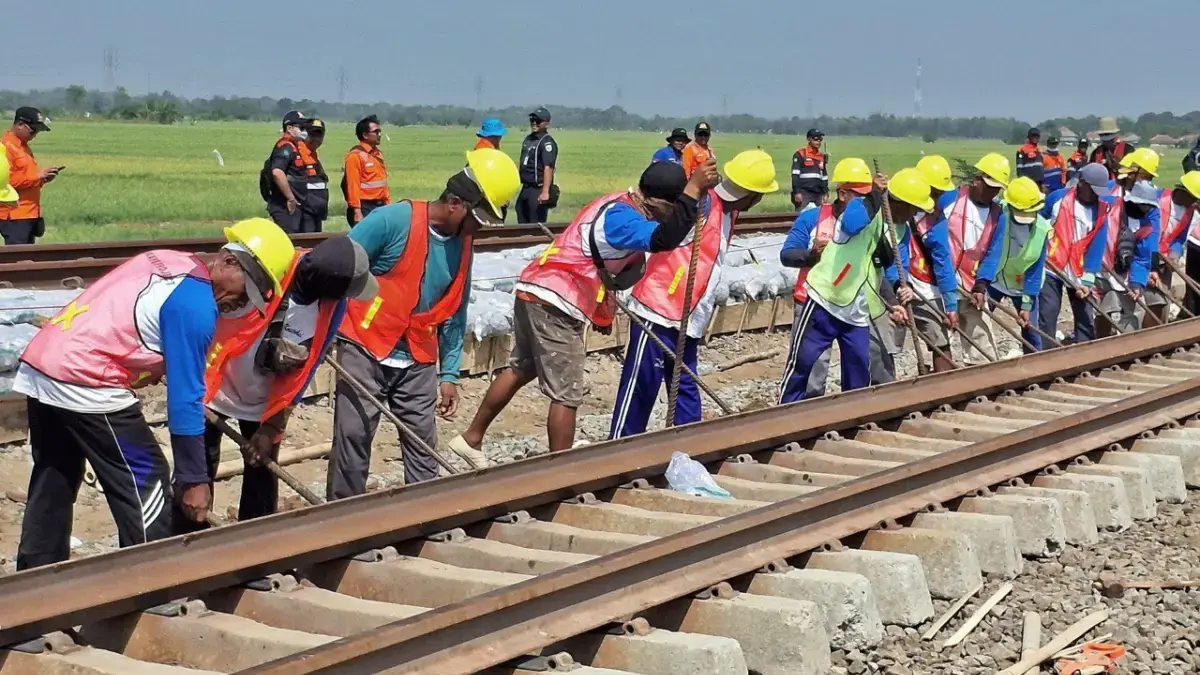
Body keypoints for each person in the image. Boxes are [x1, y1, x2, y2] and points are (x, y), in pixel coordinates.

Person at [12, 219, 292, 570]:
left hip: (44, 362)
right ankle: (151, 582)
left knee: (55, 473)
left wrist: (146, 365)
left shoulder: (169, 261)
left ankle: (36, 576)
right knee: (147, 478)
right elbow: (186, 398)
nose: (239, 304)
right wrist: (193, 479)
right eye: (245, 289)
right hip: (85, 381)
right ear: (230, 262)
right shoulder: (196, 306)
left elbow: (125, 316)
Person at [449, 159, 721, 458]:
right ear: (659, 203)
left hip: (536, 288)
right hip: (556, 301)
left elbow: (599, 263)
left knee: (522, 367)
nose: (671, 216)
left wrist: (601, 311)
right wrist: (693, 189)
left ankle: (471, 438)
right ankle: (561, 469)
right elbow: (663, 239)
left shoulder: (618, 202)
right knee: (567, 392)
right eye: (672, 208)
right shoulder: (623, 221)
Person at [326, 149, 520, 495]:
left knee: (422, 447)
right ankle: (342, 520)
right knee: (353, 442)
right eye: (479, 216)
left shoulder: (463, 244)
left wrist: (449, 374)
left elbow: (454, 309)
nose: (482, 227)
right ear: (456, 203)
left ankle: (421, 518)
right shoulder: (393, 221)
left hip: (416, 356)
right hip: (365, 347)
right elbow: (335, 263)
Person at [184, 236, 379, 532]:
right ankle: (187, 542)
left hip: (264, 399)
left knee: (261, 473)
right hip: (213, 385)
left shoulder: (329, 307)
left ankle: (256, 548)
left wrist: (272, 427)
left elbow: (301, 372)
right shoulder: (267, 267)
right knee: (198, 469)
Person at [609, 151, 779, 438]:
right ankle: (616, 451)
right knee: (640, 388)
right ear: (752, 195)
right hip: (658, 310)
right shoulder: (701, 207)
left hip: (688, 317)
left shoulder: (728, 211)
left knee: (685, 387)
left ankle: (687, 446)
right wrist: (695, 187)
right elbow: (665, 234)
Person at [777, 166, 930, 404]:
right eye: (911, 208)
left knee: (859, 372)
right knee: (803, 365)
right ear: (897, 202)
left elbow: (874, 269)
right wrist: (874, 196)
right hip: (824, 300)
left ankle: (850, 419)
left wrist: (892, 302)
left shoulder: (889, 226)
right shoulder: (862, 206)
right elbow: (850, 224)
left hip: (855, 311)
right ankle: (784, 415)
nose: (913, 214)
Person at [942, 153, 1011, 364]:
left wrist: (981, 285)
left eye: (997, 188)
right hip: (940, 283)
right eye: (989, 186)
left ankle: (983, 376)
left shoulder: (999, 215)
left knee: (982, 343)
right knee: (940, 337)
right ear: (977, 179)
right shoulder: (949, 200)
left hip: (971, 285)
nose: (992, 192)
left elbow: (992, 254)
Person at [1038, 163, 1114, 345]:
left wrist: (1088, 280)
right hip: (1051, 266)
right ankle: (1044, 354)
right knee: (1048, 313)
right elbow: (1040, 221)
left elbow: (1097, 246)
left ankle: (1085, 353)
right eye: (1093, 189)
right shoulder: (1057, 199)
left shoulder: (1102, 210)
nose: (1096, 194)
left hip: (1079, 271)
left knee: (1085, 317)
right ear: (1081, 183)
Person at [899, 155, 962, 372]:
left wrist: (951, 305)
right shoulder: (891, 207)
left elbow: (942, 261)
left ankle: (944, 390)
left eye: (939, 193)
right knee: (886, 345)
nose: (936, 198)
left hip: (924, 286)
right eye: (934, 192)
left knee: (939, 338)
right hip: (890, 286)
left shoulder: (936, 219)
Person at [974, 177, 1049, 353]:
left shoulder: (1042, 230)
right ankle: (981, 360)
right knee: (979, 320)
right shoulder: (999, 215)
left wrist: (1026, 305)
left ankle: (1035, 365)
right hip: (995, 280)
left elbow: (1035, 271)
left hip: (1022, 285)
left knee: (1030, 330)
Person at [1095, 177, 1160, 337]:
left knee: (1131, 309)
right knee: (1099, 309)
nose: (1147, 209)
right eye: (1144, 205)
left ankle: (1129, 345)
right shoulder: (1107, 206)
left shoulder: (1145, 226)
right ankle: (1098, 342)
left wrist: (1137, 283)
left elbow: (1142, 257)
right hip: (1097, 267)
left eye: (1149, 206)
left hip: (1123, 270)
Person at [1, 107, 58, 245]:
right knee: (17, 261)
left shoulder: (24, 147)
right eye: (33, 131)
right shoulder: (5, 147)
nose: (35, 135)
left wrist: (43, 179)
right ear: (20, 125)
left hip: (29, 214)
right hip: (14, 216)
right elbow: (5, 182)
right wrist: (37, 176)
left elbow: (27, 178)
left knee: (28, 260)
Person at [261, 111, 325, 234]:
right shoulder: (285, 147)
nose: (304, 131)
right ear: (289, 128)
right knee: (292, 243)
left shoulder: (296, 146)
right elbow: (277, 172)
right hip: (285, 206)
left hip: (299, 206)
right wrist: (290, 198)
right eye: (300, 127)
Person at [1150, 172, 1200, 322]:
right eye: (1193, 198)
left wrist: (1174, 255)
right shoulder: (1158, 198)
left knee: (1162, 300)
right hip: (1146, 255)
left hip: (1165, 261)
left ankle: (1159, 332)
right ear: (1183, 191)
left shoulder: (1189, 211)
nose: (1194, 202)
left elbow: (1180, 238)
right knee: (1145, 298)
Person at [343, 115, 391, 226]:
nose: (380, 135)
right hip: (366, 206)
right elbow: (352, 186)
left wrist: (388, 204)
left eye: (380, 131)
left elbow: (382, 182)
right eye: (376, 132)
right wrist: (357, 211)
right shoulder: (355, 156)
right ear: (365, 135)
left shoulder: (377, 154)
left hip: (381, 205)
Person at [516, 107, 558, 224]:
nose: (534, 123)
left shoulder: (547, 142)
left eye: (538, 120)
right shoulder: (528, 139)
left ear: (547, 124)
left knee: (535, 222)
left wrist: (545, 192)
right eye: (532, 119)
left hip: (538, 188)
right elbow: (522, 161)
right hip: (526, 187)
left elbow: (548, 167)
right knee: (521, 215)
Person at [792, 128, 830, 212]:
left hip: (818, 194)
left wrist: (825, 192)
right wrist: (797, 192)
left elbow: (824, 176)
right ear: (809, 139)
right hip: (804, 193)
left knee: (819, 218)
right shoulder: (801, 154)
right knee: (802, 217)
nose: (818, 142)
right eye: (816, 139)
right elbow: (795, 175)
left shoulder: (821, 156)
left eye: (820, 139)